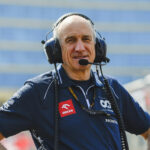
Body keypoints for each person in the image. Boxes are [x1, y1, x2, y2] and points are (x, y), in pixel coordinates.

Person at [0, 12, 150, 150]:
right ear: (56, 49)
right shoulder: (38, 91)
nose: (80, 47)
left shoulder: (113, 88)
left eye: (86, 39)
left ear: (97, 47)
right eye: (71, 40)